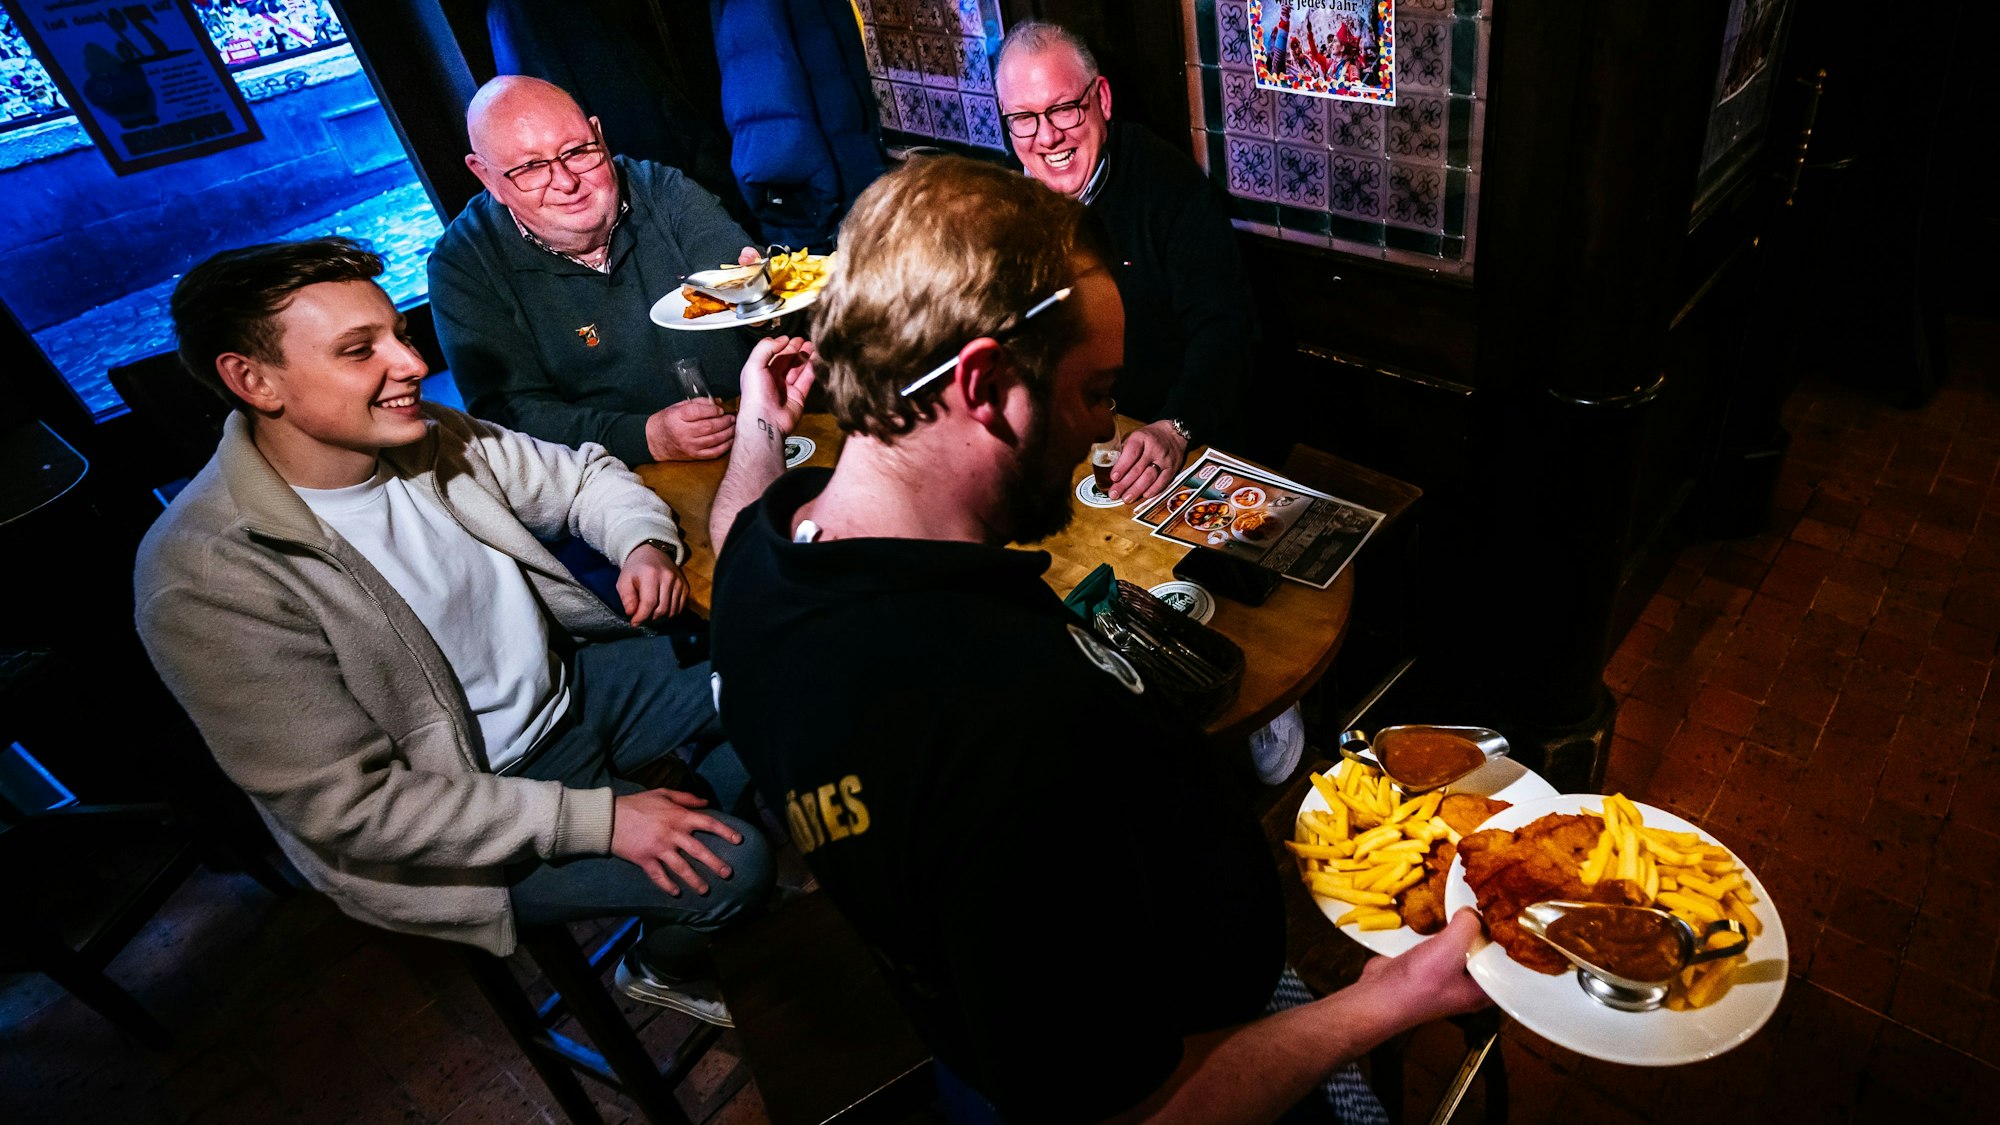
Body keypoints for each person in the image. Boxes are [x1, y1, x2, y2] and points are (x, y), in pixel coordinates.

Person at [705, 157, 1487, 1121]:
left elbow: (734, 526)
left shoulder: (765, 556)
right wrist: (1385, 1004)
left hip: (983, 1021)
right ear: (986, 384)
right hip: (1188, 1052)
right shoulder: (1007, 723)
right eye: (1094, 392)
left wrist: (757, 422)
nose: (1104, 428)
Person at [135, 237, 809, 1026]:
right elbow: (356, 811)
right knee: (735, 867)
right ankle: (663, 961)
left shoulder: (426, 432)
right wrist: (603, 820)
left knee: (792, 667)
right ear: (252, 380)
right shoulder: (207, 576)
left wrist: (641, 543)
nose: (411, 364)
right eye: (361, 351)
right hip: (460, 814)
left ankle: (702, 837)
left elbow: (584, 474)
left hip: (572, 694)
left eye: (400, 335)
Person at [428, 75, 760, 468]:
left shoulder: (664, 190)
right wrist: (643, 437)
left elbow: (748, 288)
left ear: (599, 136)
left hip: (754, 423)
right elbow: (508, 416)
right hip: (611, 476)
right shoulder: (464, 265)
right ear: (486, 177)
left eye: (578, 151)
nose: (566, 182)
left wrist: (763, 311)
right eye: (531, 167)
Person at [994, 21, 1256, 503]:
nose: (1047, 137)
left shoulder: (1167, 185)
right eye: (1024, 118)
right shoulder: (1002, 200)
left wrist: (1175, 427)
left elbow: (1226, 327)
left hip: (1162, 445)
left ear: (1102, 100)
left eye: (1064, 109)